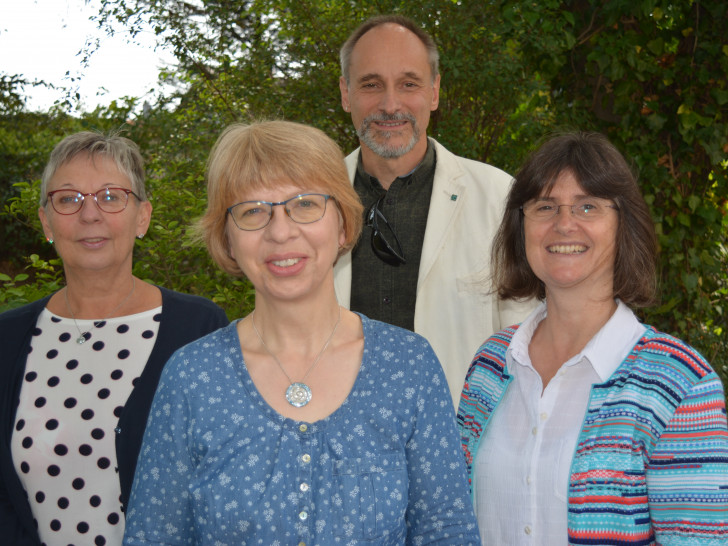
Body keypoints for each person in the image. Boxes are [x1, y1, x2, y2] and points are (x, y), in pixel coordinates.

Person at [122, 120, 480, 545]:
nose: (280, 231)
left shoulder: (408, 366)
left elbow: (447, 532)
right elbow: (153, 537)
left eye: (305, 204)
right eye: (253, 211)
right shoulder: (193, 377)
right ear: (228, 239)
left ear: (344, 223)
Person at [458, 132, 728, 544]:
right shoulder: (490, 366)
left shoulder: (680, 383)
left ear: (623, 225)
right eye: (545, 206)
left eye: (588, 206)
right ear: (521, 225)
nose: (565, 223)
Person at [0, 132, 229, 546]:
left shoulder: (199, 328)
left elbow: (222, 484)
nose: (90, 214)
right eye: (68, 199)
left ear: (142, 217)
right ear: (46, 221)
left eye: (110, 196)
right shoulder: (6, 338)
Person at [334, 14, 535, 406]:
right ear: (345, 94)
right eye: (371, 85)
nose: (390, 105)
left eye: (409, 84)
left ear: (435, 92)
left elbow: (525, 339)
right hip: (338, 448)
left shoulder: (499, 197)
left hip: (460, 443)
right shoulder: (311, 201)